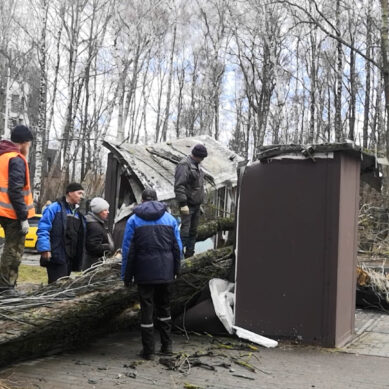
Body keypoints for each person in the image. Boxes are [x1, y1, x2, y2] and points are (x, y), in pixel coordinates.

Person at [122, 188, 182, 360]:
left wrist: (126, 275)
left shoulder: (133, 220)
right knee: (164, 308)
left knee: (147, 310)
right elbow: (177, 247)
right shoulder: (170, 219)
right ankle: (167, 347)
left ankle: (148, 351)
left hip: (143, 272)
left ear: (142, 201)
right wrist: (177, 270)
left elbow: (128, 250)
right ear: (156, 200)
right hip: (165, 271)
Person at [0, 125, 35, 295]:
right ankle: (6, 288)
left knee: (9, 248)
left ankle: (7, 285)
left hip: (3, 210)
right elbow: (15, 190)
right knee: (13, 250)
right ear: (23, 143)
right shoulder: (16, 158)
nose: (29, 147)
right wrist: (23, 217)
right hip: (12, 212)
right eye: (29, 144)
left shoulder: (3, 156)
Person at [37, 183, 86, 284]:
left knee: (63, 286)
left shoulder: (78, 213)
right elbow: (43, 228)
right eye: (79, 193)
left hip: (70, 257)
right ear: (70, 193)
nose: (82, 196)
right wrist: (45, 249)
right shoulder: (54, 208)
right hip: (56, 256)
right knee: (56, 287)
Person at [174, 143, 207, 258]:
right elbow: (179, 186)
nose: (202, 160)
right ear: (196, 155)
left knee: (193, 232)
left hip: (196, 205)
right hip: (187, 205)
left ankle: (190, 256)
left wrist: (199, 203)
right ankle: (179, 258)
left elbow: (197, 187)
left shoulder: (197, 165)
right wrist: (183, 204)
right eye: (201, 157)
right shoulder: (184, 165)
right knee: (185, 232)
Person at [82, 197, 114, 270]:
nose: (108, 212)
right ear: (99, 211)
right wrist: (108, 247)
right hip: (93, 264)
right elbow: (93, 247)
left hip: (92, 263)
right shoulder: (94, 226)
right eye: (105, 210)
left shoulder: (95, 222)